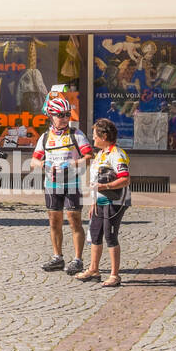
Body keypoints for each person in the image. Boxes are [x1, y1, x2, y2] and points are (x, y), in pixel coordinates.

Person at [30, 95, 92, 275]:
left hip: (72, 184)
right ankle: (57, 258)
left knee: (74, 220)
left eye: (67, 115)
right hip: (51, 184)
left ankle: (78, 259)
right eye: (61, 115)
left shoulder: (76, 135)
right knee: (54, 222)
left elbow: (89, 157)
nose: (65, 118)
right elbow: (34, 160)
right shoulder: (45, 137)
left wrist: (72, 164)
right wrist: (43, 165)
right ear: (51, 116)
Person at [76, 119, 131, 288]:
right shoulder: (101, 154)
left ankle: (115, 275)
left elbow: (125, 179)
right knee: (95, 233)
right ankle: (94, 269)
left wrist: (104, 186)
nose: (93, 140)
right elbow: (94, 181)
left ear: (104, 136)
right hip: (99, 200)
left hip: (115, 201)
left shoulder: (117, 154)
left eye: (95, 136)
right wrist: (93, 202)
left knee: (110, 236)